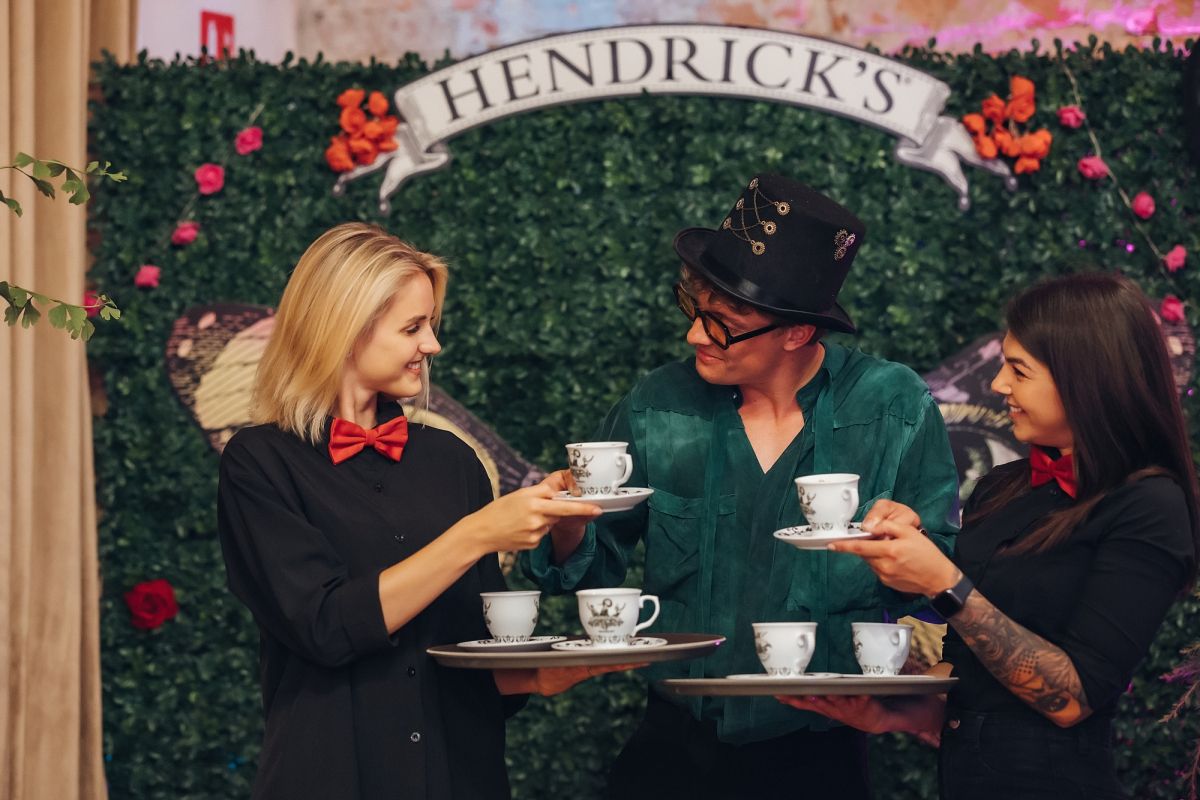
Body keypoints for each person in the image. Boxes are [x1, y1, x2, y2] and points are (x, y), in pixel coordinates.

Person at [522, 174, 961, 799]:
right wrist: (567, 525)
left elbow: (940, 583)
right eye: (693, 309)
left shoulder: (893, 405)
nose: (695, 336)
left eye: (723, 323)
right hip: (672, 752)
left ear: (797, 332)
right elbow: (585, 574)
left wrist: (911, 552)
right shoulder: (659, 404)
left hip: (821, 759)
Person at [217, 222, 615, 800]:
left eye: (430, 325)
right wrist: (476, 535)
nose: (432, 346)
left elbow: (471, 655)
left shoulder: (453, 460)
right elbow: (324, 627)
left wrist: (538, 673)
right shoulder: (259, 462)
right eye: (412, 328)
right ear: (343, 329)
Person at [781, 272, 1200, 799]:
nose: (1000, 384)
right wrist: (899, 713)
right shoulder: (1004, 488)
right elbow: (979, 695)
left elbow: (1072, 699)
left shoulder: (1149, 505)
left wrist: (944, 581)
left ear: (1087, 380)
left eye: (1019, 370)